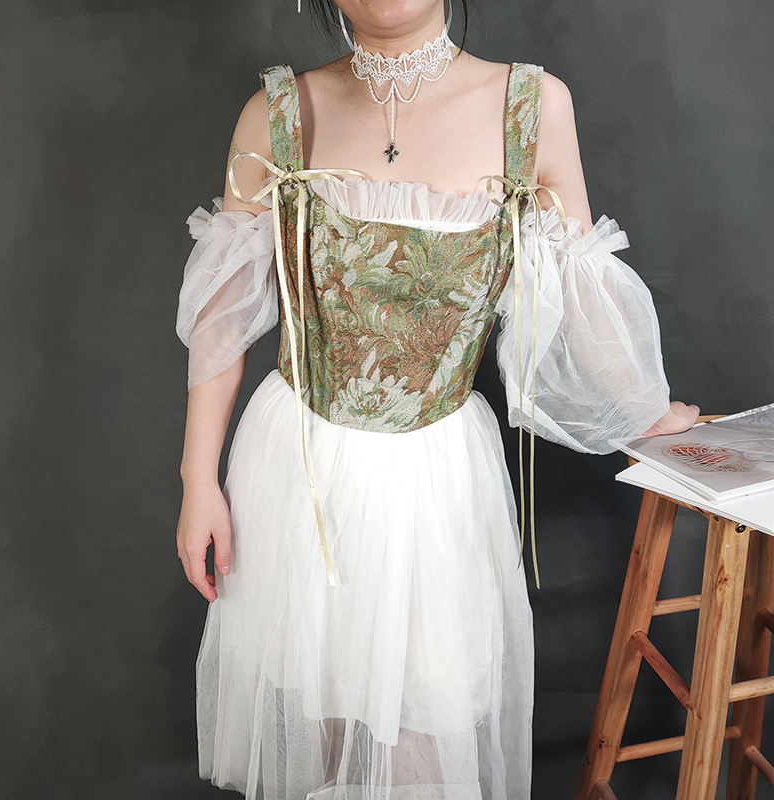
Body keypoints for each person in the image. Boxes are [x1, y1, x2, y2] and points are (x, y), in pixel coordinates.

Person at [175, 1, 700, 797]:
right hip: (296, 472)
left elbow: (578, 290)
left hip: (437, 480)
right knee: (315, 718)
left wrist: (645, 412)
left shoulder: (531, 107)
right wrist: (197, 481)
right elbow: (224, 315)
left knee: (424, 733)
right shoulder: (276, 112)